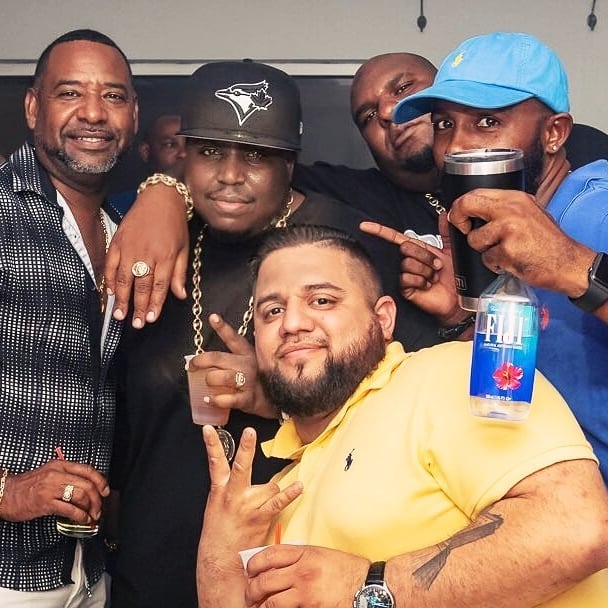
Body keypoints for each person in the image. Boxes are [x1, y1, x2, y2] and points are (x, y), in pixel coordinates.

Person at [110, 58, 433, 608]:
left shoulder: (350, 243)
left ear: (290, 162)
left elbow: (408, 399)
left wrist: (279, 395)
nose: (230, 175)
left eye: (257, 155)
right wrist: (160, 192)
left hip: (294, 572)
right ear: (182, 155)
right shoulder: (156, 244)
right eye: (210, 152)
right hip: (149, 564)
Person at [197, 224, 608, 608]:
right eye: (272, 311)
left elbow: (575, 527)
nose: (291, 323)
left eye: (322, 300)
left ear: (383, 319)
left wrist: (368, 587)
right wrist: (218, 564)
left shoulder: (450, 373)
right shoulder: (281, 490)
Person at [0, 29, 188, 606]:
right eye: (70, 93)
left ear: (133, 116)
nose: (93, 113)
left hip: (90, 569)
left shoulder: (124, 231)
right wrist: (4, 491)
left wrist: (168, 190)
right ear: (32, 108)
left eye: (112, 96)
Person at [375, 31, 608, 483]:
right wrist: (463, 317)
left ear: (554, 133)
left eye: (486, 121)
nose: (455, 146)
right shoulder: (500, 235)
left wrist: (574, 266)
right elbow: (522, 386)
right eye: (444, 124)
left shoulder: (596, 209)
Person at [109, 113, 186, 214]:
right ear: (145, 152)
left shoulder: (204, 205)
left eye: (189, 145)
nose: (183, 154)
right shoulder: (115, 208)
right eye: (170, 145)